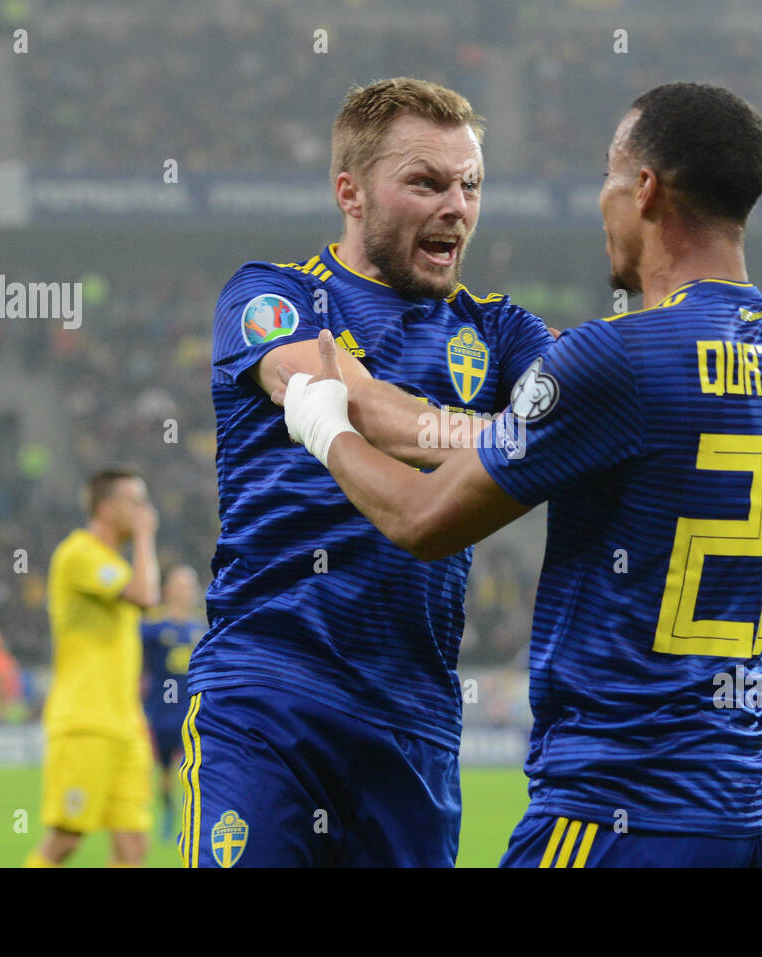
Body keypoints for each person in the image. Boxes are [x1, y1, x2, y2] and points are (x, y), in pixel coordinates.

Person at [280, 82, 762, 867]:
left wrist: (326, 425)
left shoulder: (618, 354)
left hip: (620, 801)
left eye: (610, 175)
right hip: (746, 806)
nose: (601, 200)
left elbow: (421, 520)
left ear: (644, 189)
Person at [182, 77, 554, 867]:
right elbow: (356, 405)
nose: (456, 205)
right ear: (349, 192)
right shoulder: (273, 297)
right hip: (268, 697)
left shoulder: (501, 330)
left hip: (414, 723)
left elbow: (581, 412)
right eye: (425, 182)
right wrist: (503, 436)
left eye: (471, 185)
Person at [25, 468, 160, 867]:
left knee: (132, 846)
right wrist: (145, 535)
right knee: (65, 839)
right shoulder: (79, 553)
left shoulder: (112, 565)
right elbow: (146, 594)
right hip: (85, 720)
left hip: (126, 726)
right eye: (134, 502)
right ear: (105, 507)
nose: (143, 511)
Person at [140, 565, 204, 840]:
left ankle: (191, 818)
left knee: (191, 768)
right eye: (180, 585)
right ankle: (167, 811)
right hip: (158, 712)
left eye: (190, 586)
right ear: (167, 590)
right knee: (164, 770)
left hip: (191, 712)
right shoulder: (153, 627)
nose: (186, 591)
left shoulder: (202, 629)